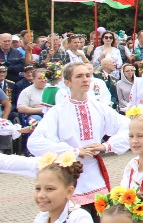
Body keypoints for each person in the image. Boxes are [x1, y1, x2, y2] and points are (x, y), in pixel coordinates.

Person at [28, 61, 130, 214]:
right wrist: (72, 151)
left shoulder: (99, 107)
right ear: (68, 82)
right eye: (79, 76)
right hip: (68, 174)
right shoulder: (58, 111)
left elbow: (129, 127)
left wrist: (107, 146)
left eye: (88, 75)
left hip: (94, 175)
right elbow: (35, 142)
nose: (85, 79)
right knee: (72, 222)